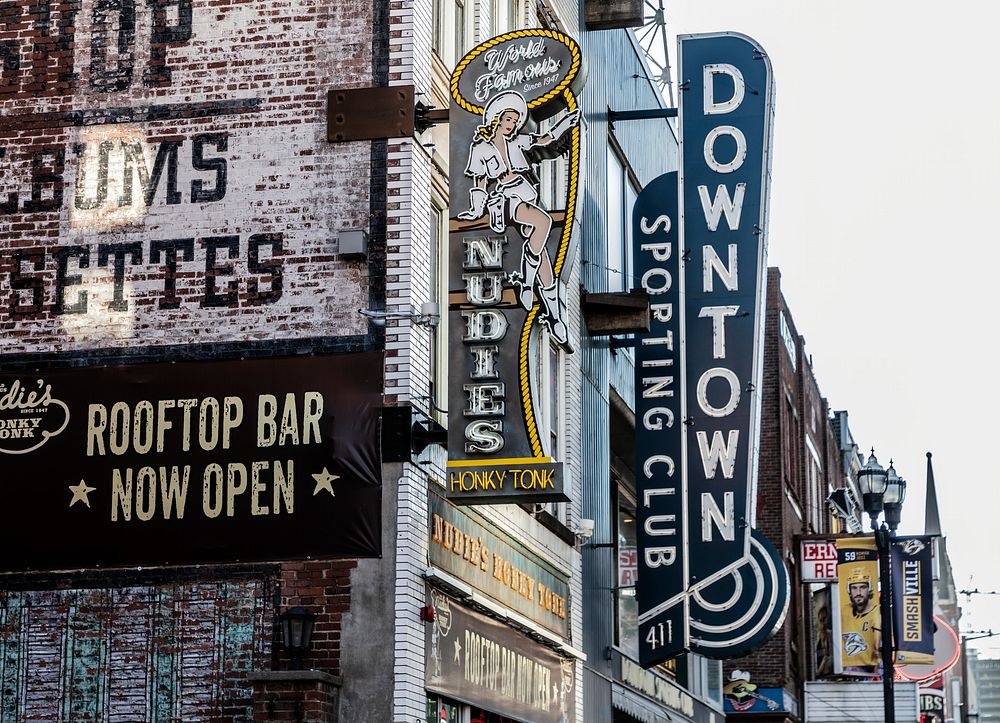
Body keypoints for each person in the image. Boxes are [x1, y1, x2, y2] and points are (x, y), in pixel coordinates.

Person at [457, 90, 581, 345]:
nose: (513, 124)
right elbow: (480, 181)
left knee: (545, 263)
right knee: (544, 222)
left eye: (515, 120)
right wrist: (476, 209)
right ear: (497, 120)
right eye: (509, 120)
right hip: (504, 199)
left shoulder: (517, 142)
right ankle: (526, 278)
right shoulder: (480, 148)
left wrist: (564, 124)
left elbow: (543, 139)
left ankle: (554, 314)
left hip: (526, 193)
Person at [840, 567, 881, 673]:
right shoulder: (843, 611)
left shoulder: (877, 613)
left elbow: (878, 646)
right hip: (843, 669)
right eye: (854, 588)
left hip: (866, 669)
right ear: (849, 590)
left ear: (869, 588)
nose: (858, 592)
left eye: (862, 587)